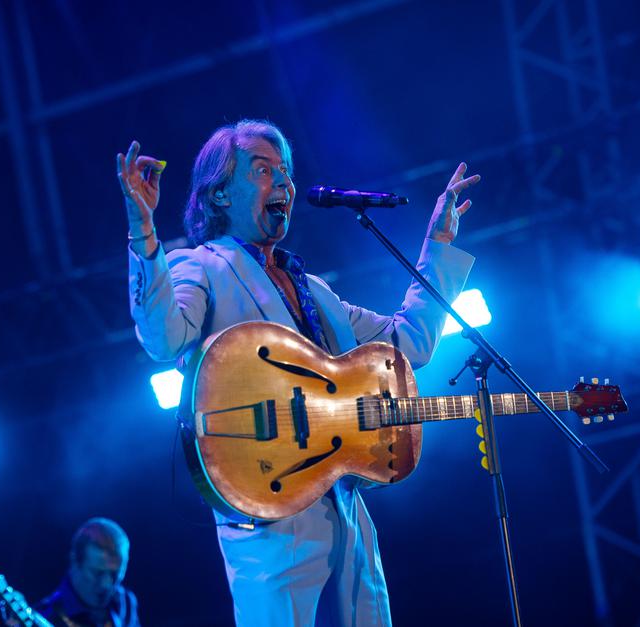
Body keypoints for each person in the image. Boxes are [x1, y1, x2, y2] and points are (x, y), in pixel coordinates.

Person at [118, 119, 479, 626]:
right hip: (267, 514)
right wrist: (143, 233)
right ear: (219, 193)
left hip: (345, 506)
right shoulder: (199, 266)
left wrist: (437, 246)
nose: (283, 182)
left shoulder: (315, 290)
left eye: (285, 171)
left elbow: (409, 342)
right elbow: (163, 339)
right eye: (262, 170)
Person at [35, 517, 140, 627]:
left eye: (115, 575)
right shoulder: (46, 616)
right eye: (97, 573)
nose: (106, 584)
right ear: (75, 560)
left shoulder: (125, 602)